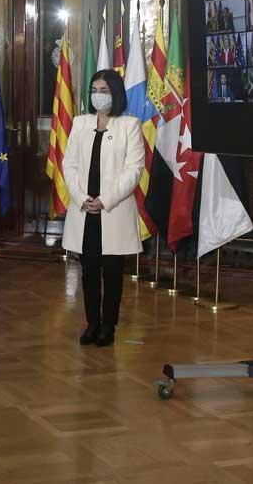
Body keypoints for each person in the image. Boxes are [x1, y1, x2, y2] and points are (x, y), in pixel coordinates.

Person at [61, 70, 145, 348]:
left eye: (104, 90)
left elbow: (134, 171)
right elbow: (69, 164)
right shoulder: (80, 123)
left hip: (113, 210)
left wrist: (105, 199)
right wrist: (81, 196)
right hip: (84, 209)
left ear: (116, 93)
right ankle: (92, 323)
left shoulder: (129, 125)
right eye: (94, 90)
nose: (98, 95)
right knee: (88, 270)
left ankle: (109, 325)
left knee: (111, 272)